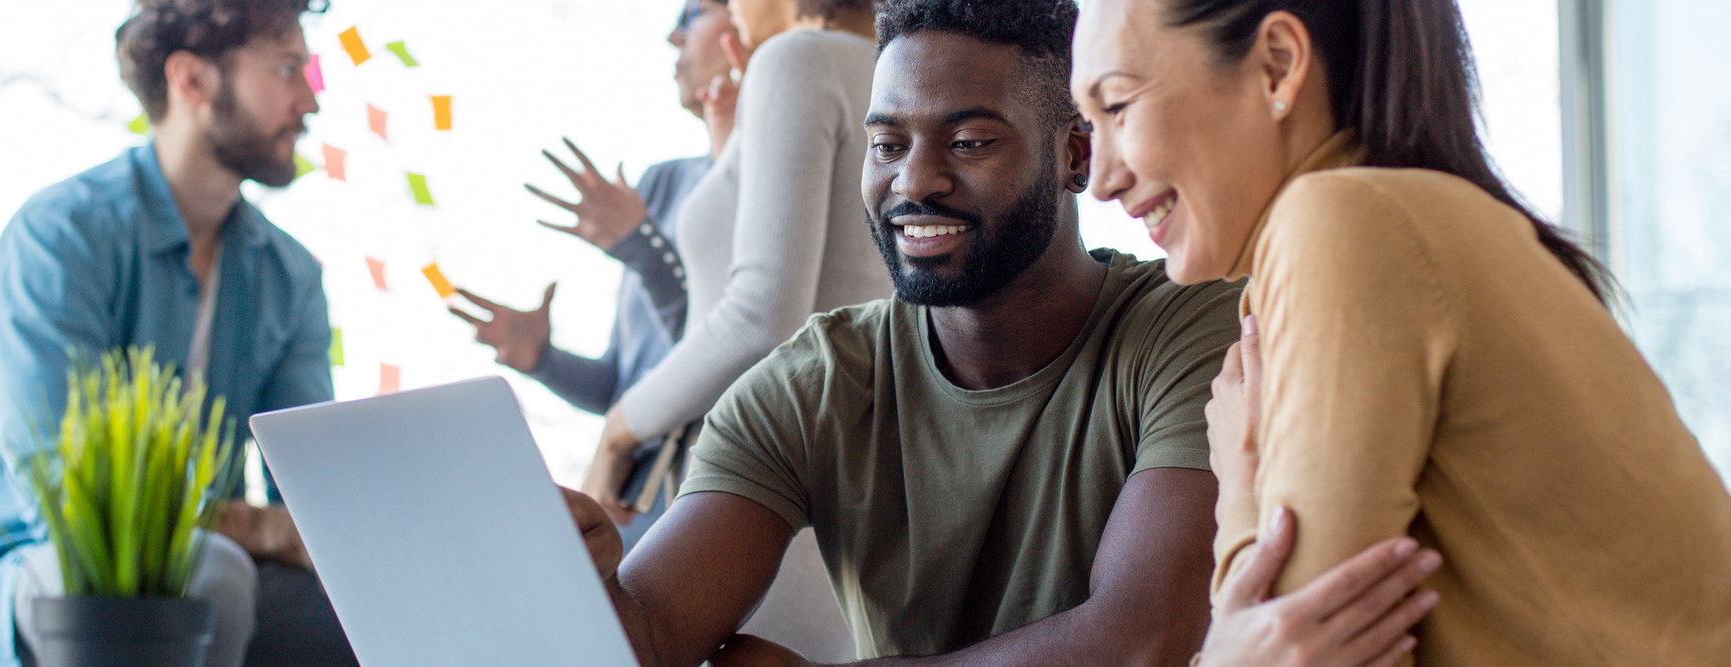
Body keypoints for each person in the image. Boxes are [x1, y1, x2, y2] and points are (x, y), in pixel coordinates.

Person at [556, 2, 1427, 664]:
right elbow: (653, 630)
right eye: (887, 143)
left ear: (1075, 155)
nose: (915, 182)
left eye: (969, 142)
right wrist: (578, 574)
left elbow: (1135, 639)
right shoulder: (815, 380)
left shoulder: (1192, 328)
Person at [1073, 0, 1731, 663]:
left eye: (1119, 106)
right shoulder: (1403, 221)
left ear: (1277, 66)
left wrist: (1240, 495)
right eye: (1087, 123)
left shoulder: (1341, 221)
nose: (1099, 179)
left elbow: (1300, 649)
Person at [0, 1, 354, 665]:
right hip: (33, 568)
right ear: (192, 81)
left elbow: (315, 502)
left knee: (372, 609)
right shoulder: (62, 234)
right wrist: (259, 525)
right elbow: (66, 493)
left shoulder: (287, 275)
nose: (310, 99)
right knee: (208, 579)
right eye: (288, 68)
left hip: (208, 566)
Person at [578, 0, 893, 523]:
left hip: (757, 486)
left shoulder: (797, 58)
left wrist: (617, 430)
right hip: (841, 475)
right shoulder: (901, 69)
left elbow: (760, 316)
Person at [455, 0, 741, 544]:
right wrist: (544, 361)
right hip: (629, 502)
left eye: (692, 14)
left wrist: (641, 248)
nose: (672, 38)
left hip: (700, 496)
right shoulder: (659, 184)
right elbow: (624, 383)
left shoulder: (761, 191)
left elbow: (731, 345)